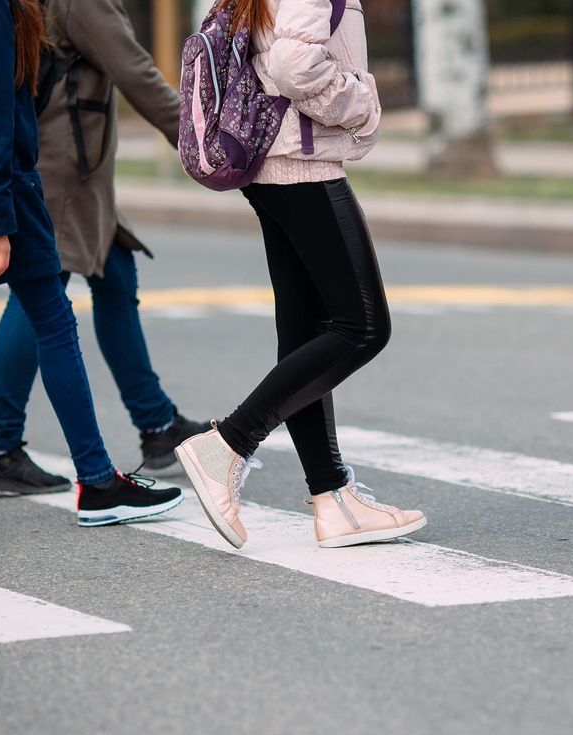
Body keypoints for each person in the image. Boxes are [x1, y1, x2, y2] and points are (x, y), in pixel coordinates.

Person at [175, 0, 426, 550]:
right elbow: (292, 65)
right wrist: (360, 102)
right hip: (301, 165)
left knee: (305, 335)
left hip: (272, 163)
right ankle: (228, 443)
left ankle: (333, 499)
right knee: (364, 327)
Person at [0, 0, 208, 497]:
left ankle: (156, 422)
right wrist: (202, 143)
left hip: (69, 171)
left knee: (115, 276)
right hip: (56, 174)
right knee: (42, 302)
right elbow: (136, 73)